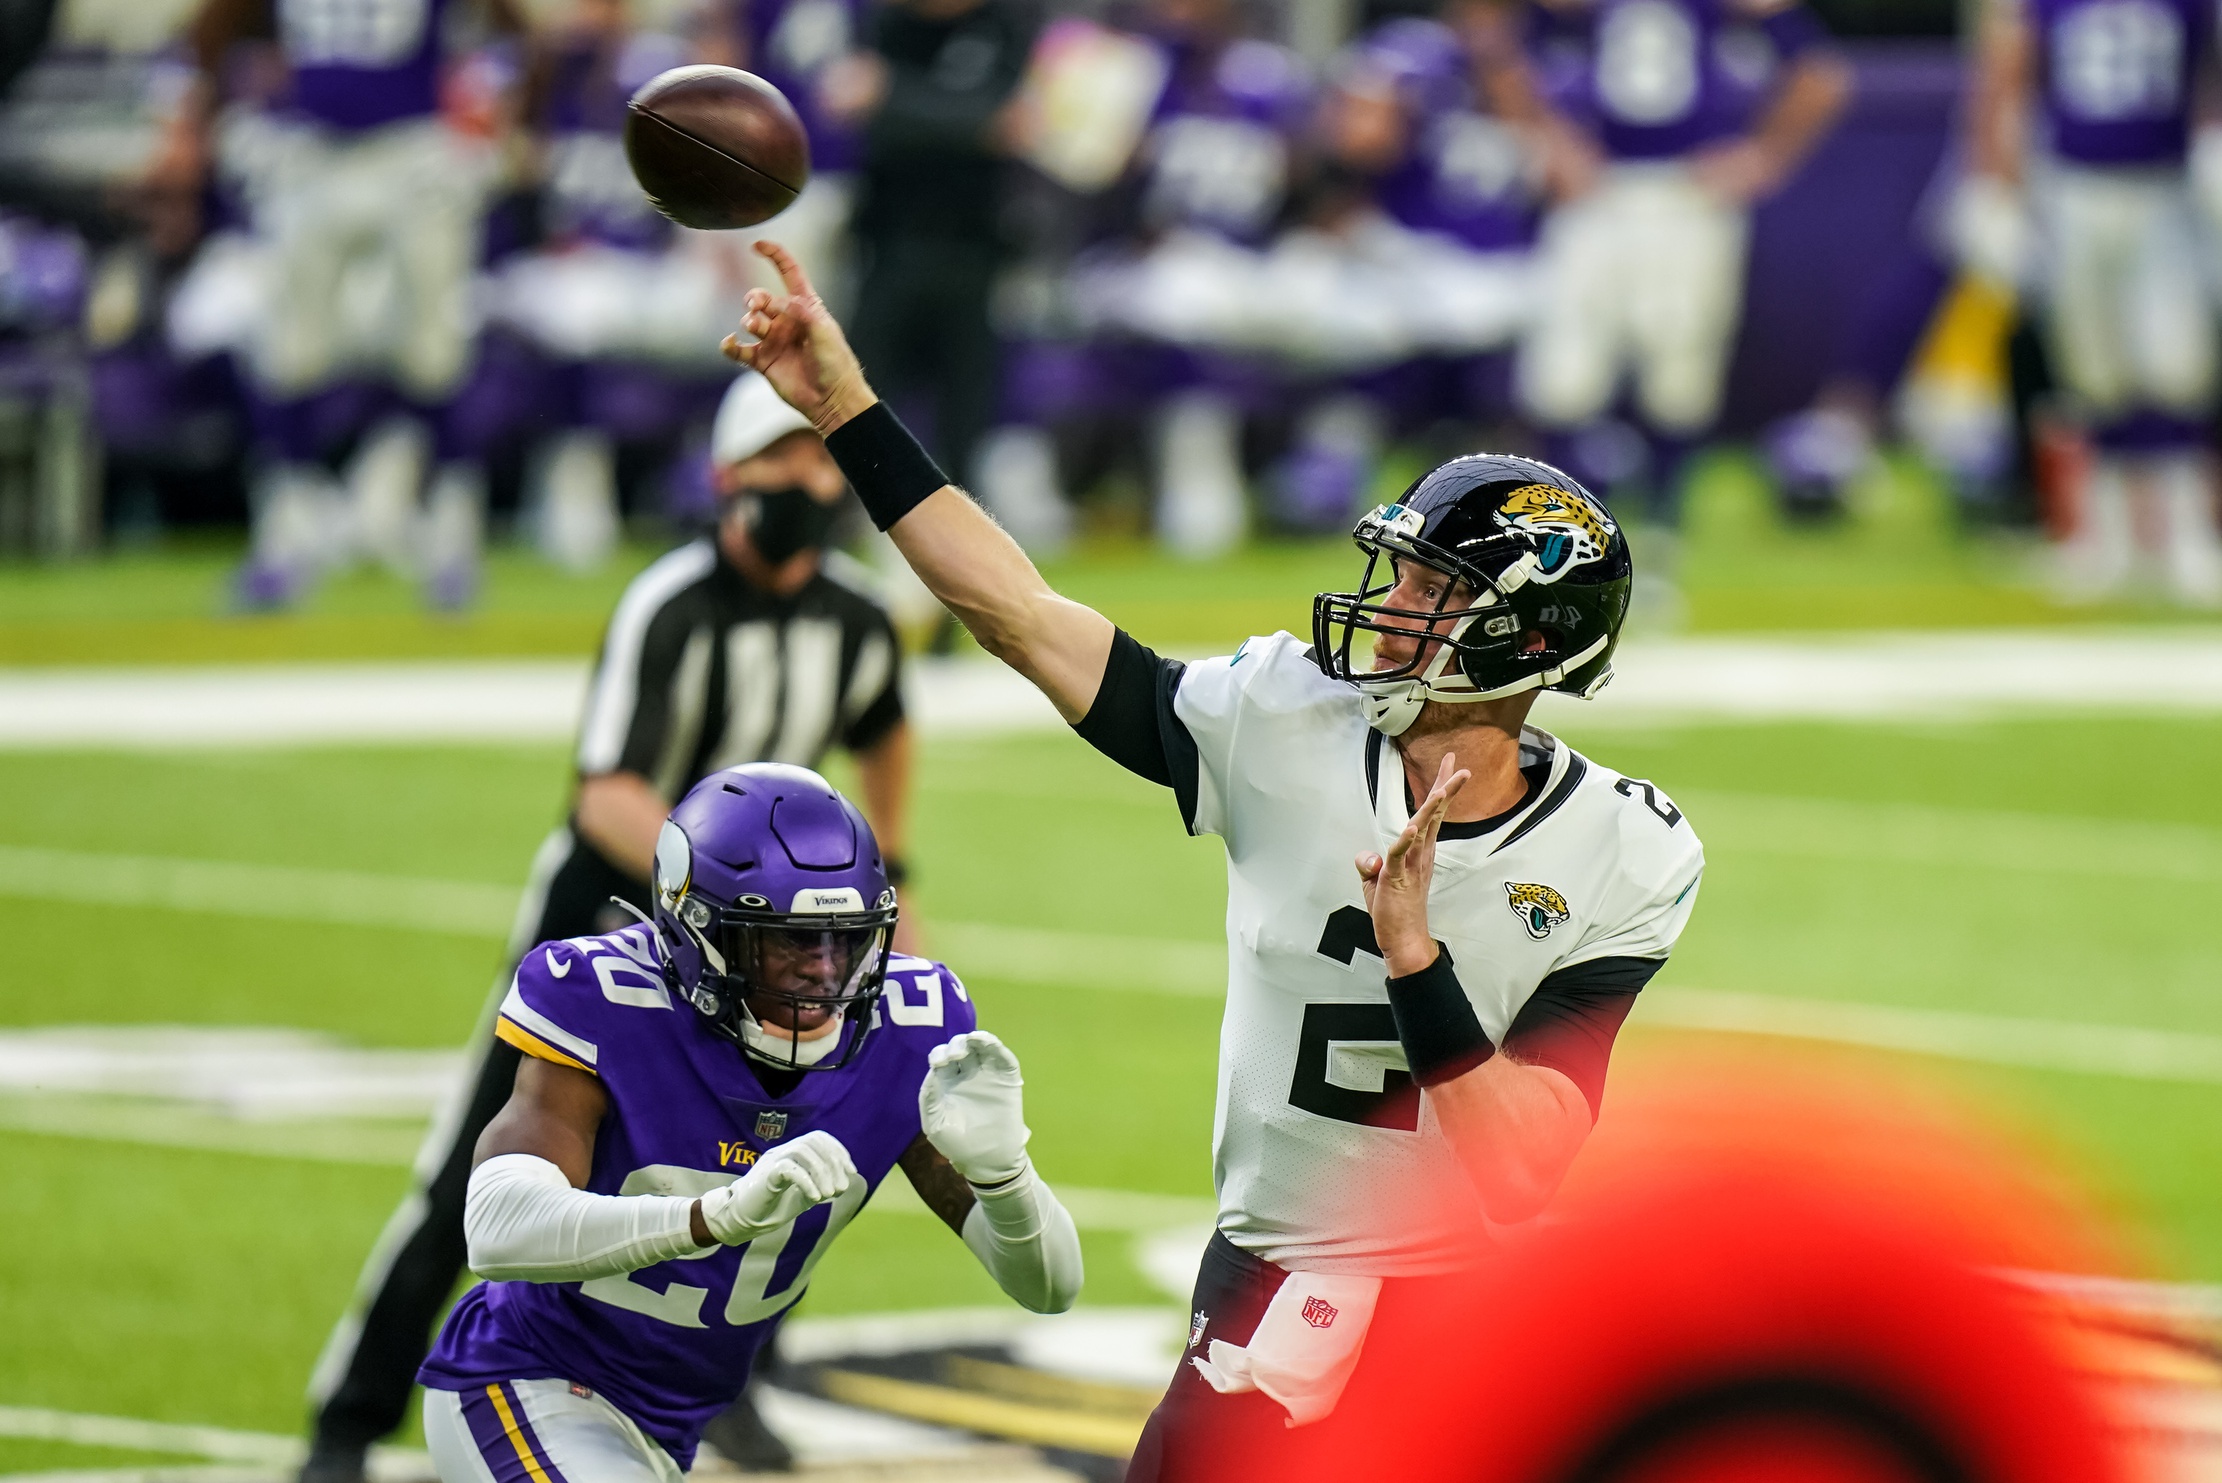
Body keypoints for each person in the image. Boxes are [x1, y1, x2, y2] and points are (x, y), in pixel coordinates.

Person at [724, 241, 1706, 1480]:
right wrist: (846, 412)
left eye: (1428, 588)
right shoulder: (1284, 722)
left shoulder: (1620, 846)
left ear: (1521, 636)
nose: (1387, 606)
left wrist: (1416, 960)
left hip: (1470, 1315)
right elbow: (1020, 617)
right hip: (1268, 1279)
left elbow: (1521, 1165)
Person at [299, 372, 915, 1483]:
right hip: (612, 925)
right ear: (726, 476)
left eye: (818, 457)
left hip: (766, 948)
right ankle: (349, 1419)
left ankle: (732, 1389)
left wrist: (890, 876)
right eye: (778, 458)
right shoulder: (670, 602)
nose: (806, 479)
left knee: (787, 1162)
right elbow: (605, 793)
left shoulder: (858, 617)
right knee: (482, 1166)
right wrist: (724, 890)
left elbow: (885, 729)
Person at [418, 763, 1082, 1483]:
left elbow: (1051, 1288)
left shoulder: (908, 1028)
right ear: (697, 931)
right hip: (525, 1378)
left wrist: (1006, 1177)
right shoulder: (608, 1000)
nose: (822, 972)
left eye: (844, 940)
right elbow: (495, 1228)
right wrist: (713, 1217)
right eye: (788, 941)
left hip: (667, 1424)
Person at [1481, 0, 1849, 615]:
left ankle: (1658, 546)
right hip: (1600, 191)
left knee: (1679, 376)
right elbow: (1497, 50)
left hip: (1688, 194)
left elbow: (1819, 72)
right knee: (1563, 378)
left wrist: (1766, 154)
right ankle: (1560, 554)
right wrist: (1548, 141)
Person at [159, 0, 525, 609]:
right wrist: (206, 110)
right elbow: (210, 31)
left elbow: (510, 31)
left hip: (412, 149)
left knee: (434, 354)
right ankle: (284, 543)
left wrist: (491, 98)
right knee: (288, 356)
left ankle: (452, 543)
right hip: (315, 152)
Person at [1962, 0, 2222, 605]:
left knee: (2176, 364)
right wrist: (1995, 184)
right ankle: (2102, 538)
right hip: (2072, 188)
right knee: (2091, 370)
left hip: (2166, 188)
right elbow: (2007, 78)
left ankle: (2188, 536)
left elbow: (2209, 78)